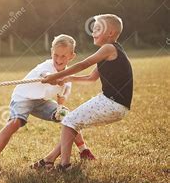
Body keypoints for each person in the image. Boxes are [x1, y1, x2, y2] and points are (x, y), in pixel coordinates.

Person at [0, 34, 95, 169]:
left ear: (71, 56)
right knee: (15, 122)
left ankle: (83, 150)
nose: (58, 60)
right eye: (56, 55)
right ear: (51, 53)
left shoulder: (68, 76)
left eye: (63, 56)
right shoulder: (46, 66)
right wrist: (52, 78)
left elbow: (62, 96)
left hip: (42, 101)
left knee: (69, 117)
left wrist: (60, 108)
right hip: (23, 98)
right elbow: (45, 75)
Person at [40, 15, 133, 171]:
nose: (93, 32)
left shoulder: (109, 48)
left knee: (69, 121)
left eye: (97, 29)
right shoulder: (108, 51)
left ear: (110, 33)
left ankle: (65, 166)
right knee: (72, 123)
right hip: (115, 105)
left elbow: (84, 64)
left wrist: (55, 76)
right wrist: (67, 78)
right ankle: (48, 160)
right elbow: (91, 78)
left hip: (112, 103)